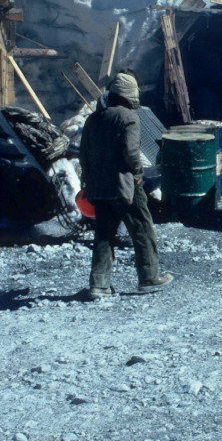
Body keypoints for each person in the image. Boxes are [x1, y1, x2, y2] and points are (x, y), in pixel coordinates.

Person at [80, 71, 172, 299]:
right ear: (129, 95)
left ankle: (99, 285)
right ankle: (149, 276)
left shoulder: (93, 119)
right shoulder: (129, 117)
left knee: (104, 234)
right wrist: (138, 174)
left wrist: (89, 179)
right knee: (142, 227)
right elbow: (131, 152)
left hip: (99, 186)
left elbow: (84, 155)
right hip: (124, 185)